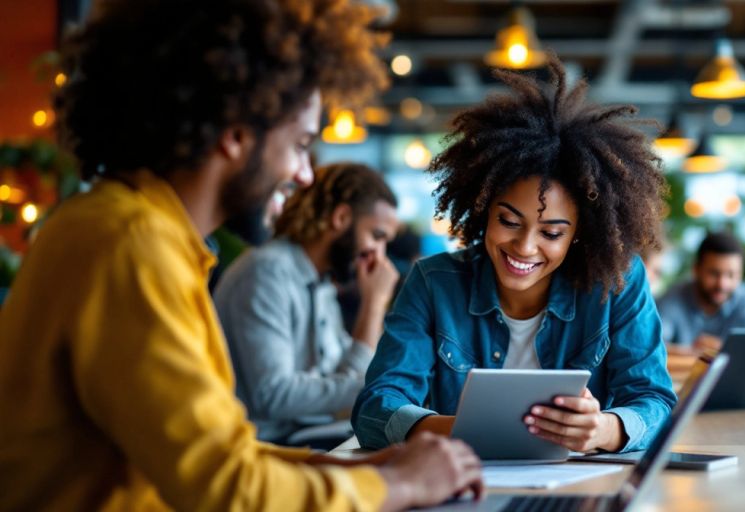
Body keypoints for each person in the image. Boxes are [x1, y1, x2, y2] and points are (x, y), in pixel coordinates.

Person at [0, 1, 481, 510]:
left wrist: (349, 467)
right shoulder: (132, 243)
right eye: (299, 144)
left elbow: (219, 451)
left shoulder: (137, 230)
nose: (303, 176)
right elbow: (228, 489)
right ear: (235, 134)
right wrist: (398, 486)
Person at [353, 57, 676, 454]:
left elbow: (656, 402)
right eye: (508, 221)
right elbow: (373, 409)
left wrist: (605, 430)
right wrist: (466, 430)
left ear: (579, 233)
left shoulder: (618, 284)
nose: (525, 247)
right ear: (483, 208)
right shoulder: (433, 283)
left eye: (552, 232)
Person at [214, 163, 400, 448]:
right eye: (376, 237)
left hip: (307, 437)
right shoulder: (267, 272)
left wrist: (372, 304)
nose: (379, 255)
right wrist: (376, 385)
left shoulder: (321, 282)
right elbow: (273, 395)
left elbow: (344, 375)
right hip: (266, 446)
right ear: (341, 218)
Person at [657, 231, 745, 355]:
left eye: (731, 275)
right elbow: (650, 347)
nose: (722, 284)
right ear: (696, 270)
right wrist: (697, 352)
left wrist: (723, 349)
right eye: (714, 273)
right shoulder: (673, 298)